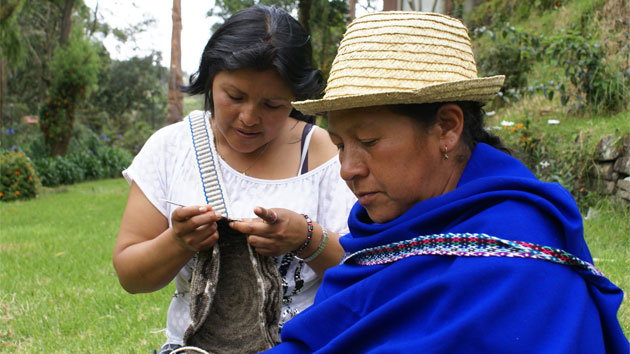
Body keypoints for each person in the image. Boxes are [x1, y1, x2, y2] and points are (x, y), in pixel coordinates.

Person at [265, 11, 630, 353]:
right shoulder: (383, 235)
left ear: (447, 127)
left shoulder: (516, 256)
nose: (348, 169)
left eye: (369, 142)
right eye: (341, 145)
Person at [112, 5, 356, 354]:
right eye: (234, 97)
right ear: (211, 78)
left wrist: (305, 237)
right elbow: (130, 276)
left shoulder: (326, 155)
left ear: (297, 98)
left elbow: (362, 275)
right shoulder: (171, 149)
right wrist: (178, 241)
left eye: (272, 105)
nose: (249, 118)